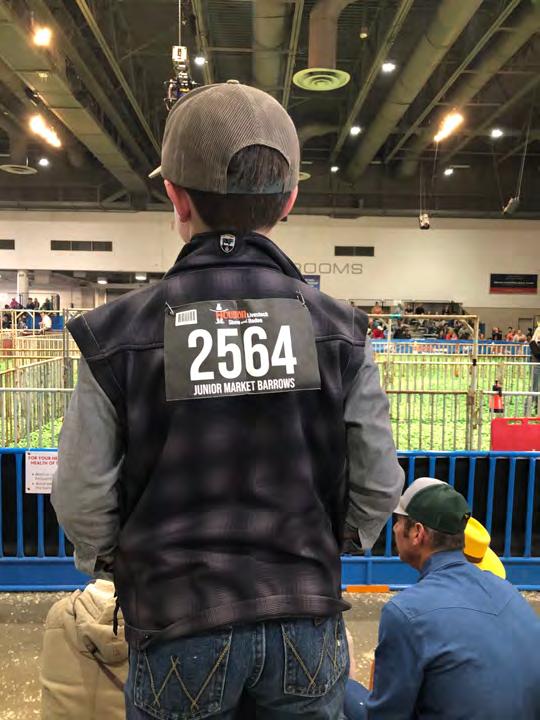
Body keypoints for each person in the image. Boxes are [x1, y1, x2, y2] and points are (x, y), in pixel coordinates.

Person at [52, 82, 404, 720]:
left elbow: (80, 494)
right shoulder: (341, 331)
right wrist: (330, 543)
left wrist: (120, 559)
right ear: (289, 200)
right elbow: (379, 481)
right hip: (305, 617)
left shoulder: (115, 335)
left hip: (175, 621)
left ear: (175, 195)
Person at [344, 478, 540, 719]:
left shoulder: (406, 612)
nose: (394, 529)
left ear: (417, 533)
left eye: (398, 521)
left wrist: (343, 678)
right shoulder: (509, 592)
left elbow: (385, 716)